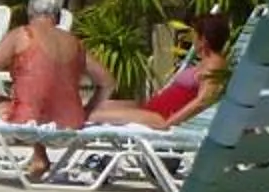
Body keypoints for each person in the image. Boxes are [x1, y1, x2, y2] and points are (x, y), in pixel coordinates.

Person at [0, 0, 113, 181]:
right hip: (69, 127)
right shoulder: (75, 43)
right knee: (36, 99)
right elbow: (108, 82)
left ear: (30, 13)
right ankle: (39, 158)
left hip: (26, 124)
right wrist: (88, 110)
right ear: (57, 16)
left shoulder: (22, 35)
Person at [96, 11, 229, 130]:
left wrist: (168, 123)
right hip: (152, 109)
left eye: (194, 34)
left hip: (160, 117)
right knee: (100, 105)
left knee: (95, 115)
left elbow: (202, 101)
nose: (192, 38)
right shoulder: (205, 62)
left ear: (203, 39)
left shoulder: (214, 65)